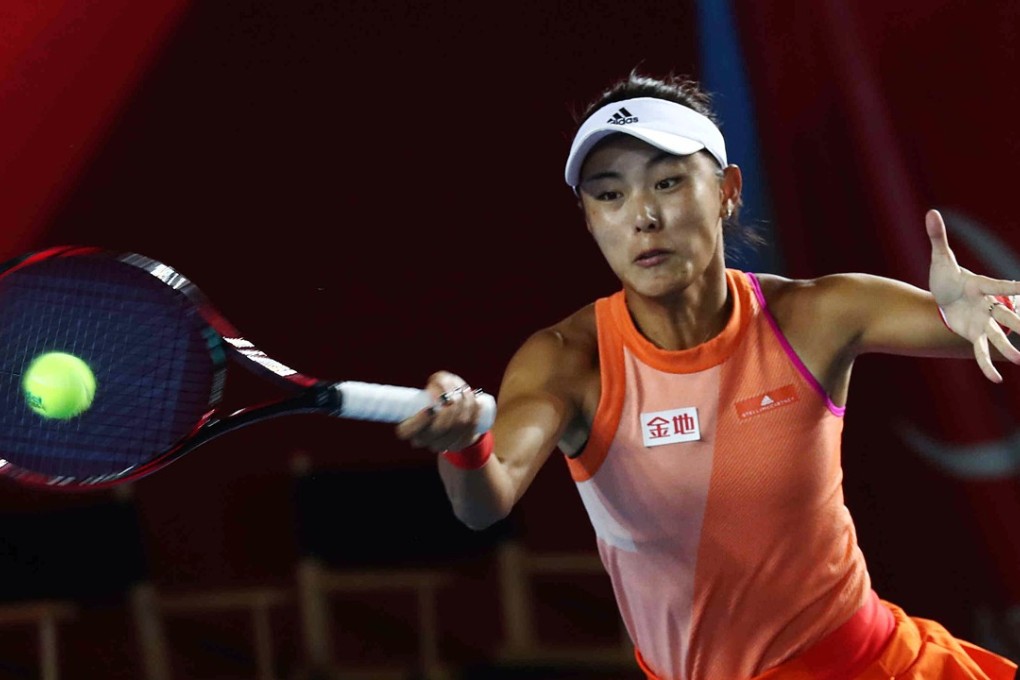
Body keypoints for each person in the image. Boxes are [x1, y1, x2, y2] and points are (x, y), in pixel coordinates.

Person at [395, 71, 1020, 680]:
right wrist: (467, 446)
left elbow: (997, 323)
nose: (642, 216)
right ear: (588, 217)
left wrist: (994, 309)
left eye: (667, 182)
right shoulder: (566, 358)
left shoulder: (815, 315)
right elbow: (487, 499)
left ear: (727, 190)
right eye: (609, 194)